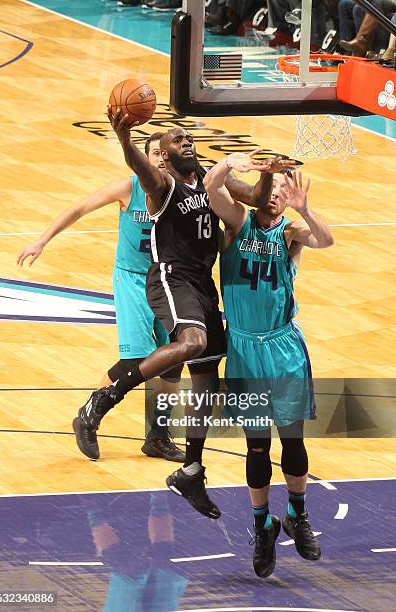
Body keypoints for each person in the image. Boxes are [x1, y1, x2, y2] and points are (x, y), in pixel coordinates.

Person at [78, 108, 294, 519]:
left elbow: (252, 197)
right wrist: (125, 139)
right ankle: (102, 400)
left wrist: (268, 171)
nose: (186, 142)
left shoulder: (213, 179)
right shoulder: (161, 185)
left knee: (207, 381)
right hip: (170, 278)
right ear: (163, 155)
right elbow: (139, 167)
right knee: (191, 341)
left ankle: (192, 469)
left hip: (202, 283)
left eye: (187, 138)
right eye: (176, 141)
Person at [17, 132, 185, 464]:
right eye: (154, 154)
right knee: (135, 359)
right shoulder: (130, 188)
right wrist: (41, 241)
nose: (161, 160)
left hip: (168, 282)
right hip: (133, 281)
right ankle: (89, 417)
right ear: (144, 158)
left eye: (165, 155)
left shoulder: (182, 191)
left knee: (173, 361)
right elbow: (79, 208)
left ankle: (158, 436)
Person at [204, 152, 334, 577]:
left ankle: (297, 514)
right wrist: (232, 162)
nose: (277, 195)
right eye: (272, 188)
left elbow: (326, 241)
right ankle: (263, 526)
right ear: (259, 192)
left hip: (283, 348)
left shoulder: (291, 234)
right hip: (245, 348)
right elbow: (210, 186)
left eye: (284, 190)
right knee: (256, 446)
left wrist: (307, 209)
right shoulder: (237, 224)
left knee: (292, 441)